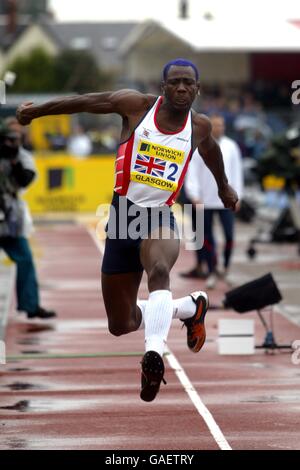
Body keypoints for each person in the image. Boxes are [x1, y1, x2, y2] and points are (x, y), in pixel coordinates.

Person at [16, 58, 238, 402]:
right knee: (120, 323)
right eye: (174, 82)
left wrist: (224, 187)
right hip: (123, 217)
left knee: (160, 270)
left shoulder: (200, 127)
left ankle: (153, 356)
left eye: (188, 83)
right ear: (163, 86)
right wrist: (37, 112)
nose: (181, 88)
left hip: (160, 216)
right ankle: (190, 308)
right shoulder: (134, 106)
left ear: (197, 89)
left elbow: (211, 153)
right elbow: (86, 101)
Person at [0, 119, 56, 320]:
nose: (11, 143)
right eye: (7, 138)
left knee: (24, 257)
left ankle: (30, 305)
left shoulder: (23, 156)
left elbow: (26, 179)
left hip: (8, 215)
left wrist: (14, 161)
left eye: (15, 138)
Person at [184, 114, 244, 289]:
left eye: (221, 125)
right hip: (205, 201)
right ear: (209, 127)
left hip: (226, 201)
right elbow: (192, 172)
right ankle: (211, 271)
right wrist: (194, 195)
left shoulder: (232, 147)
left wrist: (238, 195)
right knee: (207, 238)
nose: (219, 128)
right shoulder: (199, 146)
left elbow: (237, 173)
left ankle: (225, 269)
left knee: (229, 236)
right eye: (215, 125)